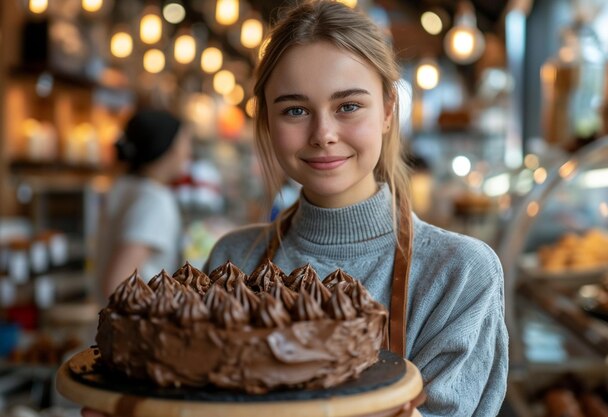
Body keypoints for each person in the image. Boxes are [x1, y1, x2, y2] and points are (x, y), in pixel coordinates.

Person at [82, 2, 507, 417]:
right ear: (267, 121)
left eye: (348, 106)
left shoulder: (460, 274)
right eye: (295, 110)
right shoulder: (235, 259)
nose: (323, 134)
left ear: (388, 110)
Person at [95, 109, 192, 300]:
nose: (189, 151)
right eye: (185, 142)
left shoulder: (124, 186)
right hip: (136, 327)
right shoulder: (154, 200)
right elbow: (116, 284)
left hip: (109, 324)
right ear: (167, 147)